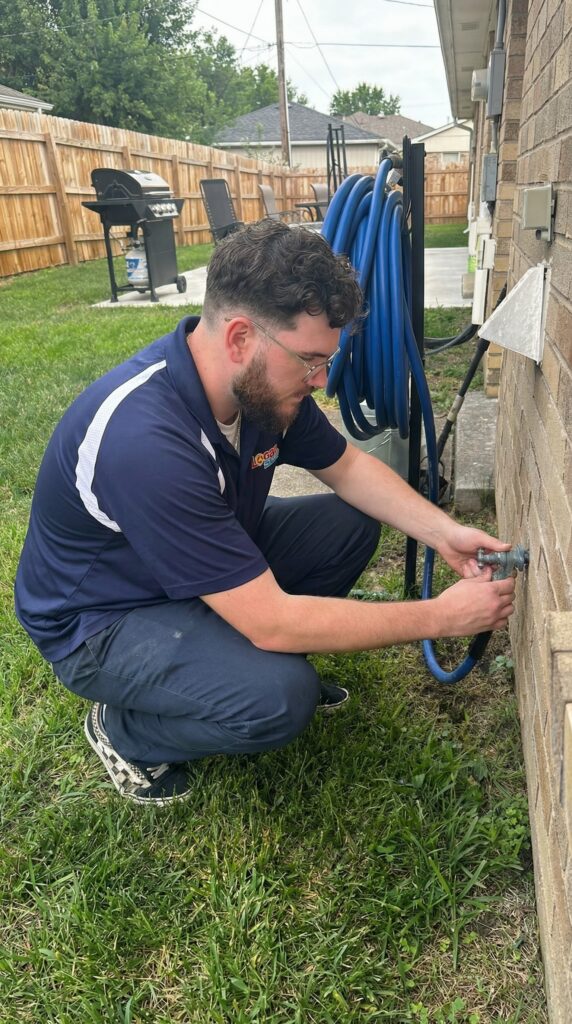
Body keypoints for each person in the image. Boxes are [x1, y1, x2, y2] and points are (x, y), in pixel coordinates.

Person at [14, 219, 515, 806]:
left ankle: (227, 664)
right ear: (239, 338)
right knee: (280, 698)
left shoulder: (261, 388)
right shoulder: (143, 440)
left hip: (185, 568)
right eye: (309, 360)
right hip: (102, 620)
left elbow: (348, 469)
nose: (322, 381)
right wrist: (439, 617)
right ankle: (126, 730)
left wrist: (445, 532)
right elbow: (273, 620)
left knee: (347, 525)